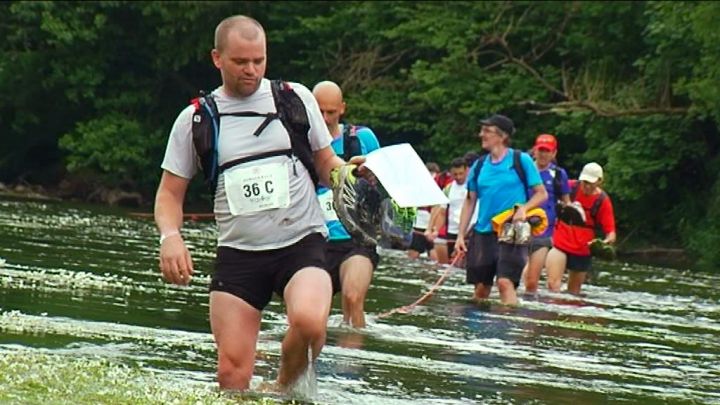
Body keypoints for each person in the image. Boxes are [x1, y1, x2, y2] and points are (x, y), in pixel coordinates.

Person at [153, 15, 364, 391]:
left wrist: (348, 175)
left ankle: (282, 388)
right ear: (217, 58)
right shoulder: (196, 119)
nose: (251, 70)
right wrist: (170, 236)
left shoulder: (295, 99)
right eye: (240, 62)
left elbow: (325, 163)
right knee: (231, 377)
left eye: (259, 60)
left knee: (309, 324)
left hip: (302, 243)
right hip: (239, 253)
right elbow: (170, 193)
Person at [455, 114, 548, 305]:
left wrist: (524, 208)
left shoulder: (520, 160)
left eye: (487, 131)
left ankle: (509, 330)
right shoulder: (479, 166)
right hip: (483, 231)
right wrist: (460, 235)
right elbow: (470, 201)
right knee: (481, 288)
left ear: (502, 136)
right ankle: (477, 330)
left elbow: (541, 194)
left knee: (506, 283)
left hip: (512, 230)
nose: (482, 135)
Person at [312, 80, 380, 328]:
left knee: (353, 298)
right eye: (319, 111)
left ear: (342, 108)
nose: (325, 117)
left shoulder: (362, 138)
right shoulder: (299, 140)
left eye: (331, 111)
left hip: (357, 239)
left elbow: (383, 182)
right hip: (316, 240)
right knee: (311, 315)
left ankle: (351, 363)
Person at [546, 162, 616, 295]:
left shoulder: (603, 201)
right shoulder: (570, 187)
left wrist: (604, 245)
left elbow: (611, 233)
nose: (586, 186)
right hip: (560, 243)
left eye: (590, 182)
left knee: (573, 293)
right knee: (553, 285)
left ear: (599, 181)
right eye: (584, 181)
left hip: (582, 250)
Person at [522, 134, 570, 294]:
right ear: (535, 150)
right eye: (540, 150)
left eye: (547, 151)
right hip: (520, 228)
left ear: (554, 153)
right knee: (510, 276)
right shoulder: (523, 171)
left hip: (544, 232)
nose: (543, 154)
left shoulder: (558, 175)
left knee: (531, 282)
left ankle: (528, 313)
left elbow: (566, 202)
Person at [426, 157, 476, 264]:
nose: (458, 177)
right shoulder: (448, 188)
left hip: (469, 232)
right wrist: (436, 230)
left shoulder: (473, 187)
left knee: (465, 265)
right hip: (452, 232)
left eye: (461, 173)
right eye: (455, 174)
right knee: (452, 266)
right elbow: (442, 213)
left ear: (467, 171)